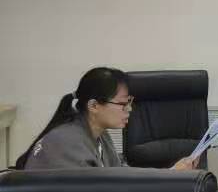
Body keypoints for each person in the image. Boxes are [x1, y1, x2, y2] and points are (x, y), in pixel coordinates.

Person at [18, 67, 198, 170]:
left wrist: (170, 174)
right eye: (122, 104)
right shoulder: (65, 143)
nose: (129, 109)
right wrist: (169, 178)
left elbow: (119, 177)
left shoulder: (99, 134)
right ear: (94, 106)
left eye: (129, 102)